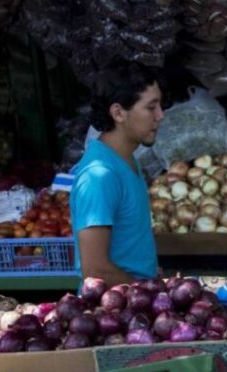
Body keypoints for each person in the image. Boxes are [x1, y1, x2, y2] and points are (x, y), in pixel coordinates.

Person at [70, 62, 165, 284]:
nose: (160, 115)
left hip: (136, 303)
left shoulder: (127, 161)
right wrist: (149, 293)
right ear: (118, 113)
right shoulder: (99, 176)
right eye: (151, 107)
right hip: (115, 311)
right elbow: (95, 270)